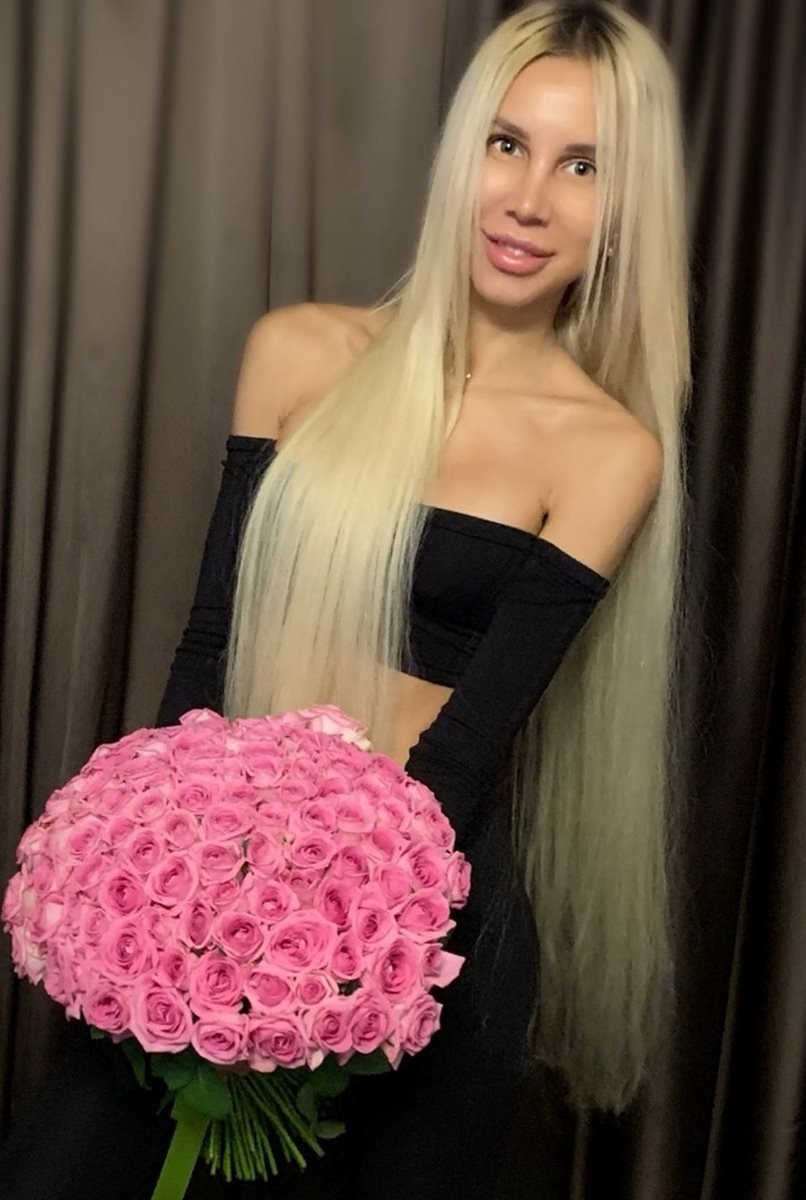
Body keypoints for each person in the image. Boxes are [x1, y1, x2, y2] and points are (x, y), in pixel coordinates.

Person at [0, 2, 690, 1196]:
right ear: (461, 153)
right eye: (507, 144)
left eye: (584, 167)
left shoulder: (607, 452)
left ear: (627, 211)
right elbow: (209, 650)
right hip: (211, 894)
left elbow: (466, 752)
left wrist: (319, 936)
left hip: (423, 937)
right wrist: (170, 897)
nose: (529, 199)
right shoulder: (297, 352)